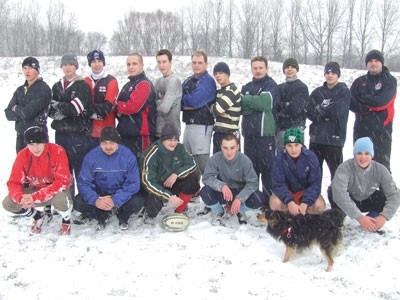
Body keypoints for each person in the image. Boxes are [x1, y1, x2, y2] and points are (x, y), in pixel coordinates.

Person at [2, 126, 73, 235]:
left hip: (57, 191)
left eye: (38, 144)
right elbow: (14, 182)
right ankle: (37, 216)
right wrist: (21, 198)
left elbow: (62, 182)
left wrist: (35, 197)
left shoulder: (57, 151)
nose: (35, 148)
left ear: (45, 142)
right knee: (8, 203)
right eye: (31, 145)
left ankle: (66, 219)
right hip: (35, 189)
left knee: (61, 201)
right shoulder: (22, 155)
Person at [77, 127, 144, 231]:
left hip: (120, 191)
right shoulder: (91, 157)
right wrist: (96, 199)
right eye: (104, 143)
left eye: (112, 143)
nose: (108, 147)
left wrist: (115, 200)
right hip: (100, 193)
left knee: (137, 202)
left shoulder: (128, 156)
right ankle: (101, 214)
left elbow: (133, 183)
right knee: (78, 202)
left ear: (118, 143)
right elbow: (83, 183)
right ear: (100, 144)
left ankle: (122, 215)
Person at [48, 53, 92, 205]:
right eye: (65, 64)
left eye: (71, 64)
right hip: (60, 135)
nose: (68, 68)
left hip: (78, 135)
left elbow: (76, 109)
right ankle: (68, 202)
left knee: (80, 171)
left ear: (76, 66)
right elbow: (50, 112)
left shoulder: (82, 85)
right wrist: (63, 109)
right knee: (64, 171)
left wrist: (59, 105)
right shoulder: (56, 86)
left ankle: (84, 205)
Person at [330, 137, 400, 232]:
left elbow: (394, 194)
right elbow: (339, 194)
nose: (363, 157)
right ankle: (339, 218)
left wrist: (384, 217)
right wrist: (359, 217)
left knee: (382, 198)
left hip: (367, 198)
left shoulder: (381, 169)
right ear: (354, 155)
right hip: (349, 198)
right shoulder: (344, 168)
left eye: (367, 153)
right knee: (333, 192)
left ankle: (372, 220)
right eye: (359, 153)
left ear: (372, 155)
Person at [140, 122, 200, 222]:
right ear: (162, 140)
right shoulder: (152, 154)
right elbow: (147, 182)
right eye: (169, 140)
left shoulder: (180, 148)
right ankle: (148, 214)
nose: (173, 143)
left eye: (175, 139)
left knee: (192, 179)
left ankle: (180, 210)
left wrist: (176, 174)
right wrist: (168, 196)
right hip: (155, 187)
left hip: (171, 182)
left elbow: (192, 164)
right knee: (153, 207)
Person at [200, 133, 264, 225]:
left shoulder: (245, 160)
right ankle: (219, 211)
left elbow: (253, 183)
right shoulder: (215, 159)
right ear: (221, 147)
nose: (229, 152)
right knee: (205, 192)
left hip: (239, 191)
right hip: (223, 193)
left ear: (238, 147)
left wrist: (240, 198)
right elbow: (206, 178)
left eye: (232, 148)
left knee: (259, 197)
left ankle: (239, 210)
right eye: (225, 148)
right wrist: (221, 186)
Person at [350, 50, 397, 172]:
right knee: (360, 164)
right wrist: (367, 106)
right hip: (361, 129)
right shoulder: (359, 82)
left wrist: (364, 98)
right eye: (370, 61)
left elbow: (382, 102)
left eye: (376, 61)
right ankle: (359, 191)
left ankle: (384, 191)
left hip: (381, 130)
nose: (373, 64)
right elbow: (351, 102)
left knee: (381, 166)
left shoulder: (390, 81)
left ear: (381, 63)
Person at [241, 56, 278, 200]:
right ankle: (253, 200)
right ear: (251, 69)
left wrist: (249, 100)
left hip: (265, 137)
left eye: (260, 68)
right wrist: (254, 103)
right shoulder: (247, 87)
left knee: (267, 171)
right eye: (255, 68)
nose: (257, 71)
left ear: (266, 69)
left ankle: (268, 202)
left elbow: (265, 103)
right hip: (249, 137)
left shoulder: (271, 85)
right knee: (251, 171)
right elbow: (242, 108)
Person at [306, 62, 351, 180]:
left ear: (338, 75)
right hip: (317, 139)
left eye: (333, 73)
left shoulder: (343, 91)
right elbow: (309, 111)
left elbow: (337, 111)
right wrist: (321, 113)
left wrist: (320, 111)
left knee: (337, 177)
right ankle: (314, 198)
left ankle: (336, 198)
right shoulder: (318, 92)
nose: (330, 75)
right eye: (327, 72)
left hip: (334, 140)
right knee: (313, 175)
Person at [269, 128, 326, 216]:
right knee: (275, 203)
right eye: (289, 145)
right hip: (288, 192)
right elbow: (278, 184)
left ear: (301, 145)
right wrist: (289, 202)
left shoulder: (311, 157)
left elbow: (315, 184)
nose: (293, 149)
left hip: (304, 192)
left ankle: (307, 219)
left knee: (319, 206)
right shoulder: (279, 158)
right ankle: (287, 218)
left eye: (296, 145)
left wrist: (306, 202)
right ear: (285, 146)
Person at [5, 57, 52, 153]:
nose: (27, 71)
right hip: (21, 136)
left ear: (37, 70)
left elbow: (28, 113)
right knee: (22, 166)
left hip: (38, 137)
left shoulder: (43, 89)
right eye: (25, 68)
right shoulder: (20, 90)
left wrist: (16, 108)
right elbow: (8, 113)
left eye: (31, 68)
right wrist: (21, 114)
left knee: (38, 167)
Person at [116, 53, 157, 159]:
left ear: (142, 65)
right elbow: (116, 108)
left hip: (140, 137)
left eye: (134, 64)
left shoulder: (144, 84)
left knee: (141, 169)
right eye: (128, 64)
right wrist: (120, 107)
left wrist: (121, 106)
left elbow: (133, 107)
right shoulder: (127, 85)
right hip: (125, 135)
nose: (131, 67)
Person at [181, 51, 216, 174]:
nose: (197, 65)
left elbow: (193, 101)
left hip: (202, 126)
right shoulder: (189, 80)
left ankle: (210, 191)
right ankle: (193, 192)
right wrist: (184, 103)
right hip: (188, 125)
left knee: (202, 164)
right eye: (194, 62)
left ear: (206, 64)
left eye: (200, 63)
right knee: (188, 164)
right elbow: (177, 99)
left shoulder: (208, 82)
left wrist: (185, 102)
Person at [84, 50, 119, 148]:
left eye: (99, 61)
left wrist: (89, 111)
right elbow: (82, 107)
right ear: (90, 64)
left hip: (107, 132)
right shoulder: (85, 81)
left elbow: (107, 107)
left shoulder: (111, 81)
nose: (97, 64)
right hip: (89, 131)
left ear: (103, 63)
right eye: (93, 61)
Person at [276, 58, 309, 150]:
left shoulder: (302, 87)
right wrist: (285, 105)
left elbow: (296, 108)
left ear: (297, 70)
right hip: (281, 129)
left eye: (292, 67)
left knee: (296, 156)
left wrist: (284, 107)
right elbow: (275, 105)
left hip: (296, 128)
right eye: (287, 67)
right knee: (281, 157)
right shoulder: (279, 87)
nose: (289, 69)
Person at [211, 62, 241, 154]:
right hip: (218, 133)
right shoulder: (219, 91)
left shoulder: (232, 90)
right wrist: (215, 109)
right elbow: (213, 110)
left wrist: (215, 109)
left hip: (230, 134)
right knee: (217, 164)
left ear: (227, 74)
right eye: (215, 74)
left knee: (232, 165)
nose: (217, 76)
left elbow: (217, 109)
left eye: (220, 73)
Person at [154, 49, 182, 139]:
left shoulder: (174, 81)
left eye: (164, 62)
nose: (161, 65)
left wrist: (159, 101)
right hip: (157, 130)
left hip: (171, 133)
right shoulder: (158, 81)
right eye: (159, 62)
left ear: (170, 62)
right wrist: (161, 101)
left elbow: (164, 108)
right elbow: (151, 104)